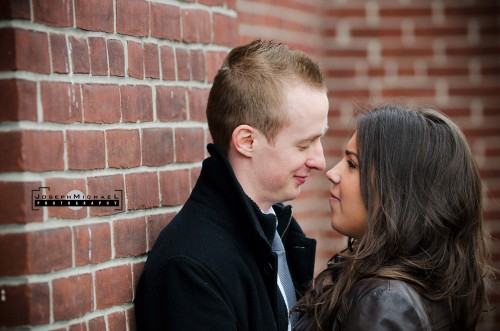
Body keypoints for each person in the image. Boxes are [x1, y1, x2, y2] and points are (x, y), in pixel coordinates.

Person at [134, 39, 329, 331]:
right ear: (247, 141)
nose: (320, 161)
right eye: (304, 144)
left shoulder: (279, 234)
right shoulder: (189, 270)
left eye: (320, 139)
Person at [293, 104, 494, 331]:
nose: (332, 173)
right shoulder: (422, 285)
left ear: (399, 192)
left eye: (352, 164)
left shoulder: (385, 301)